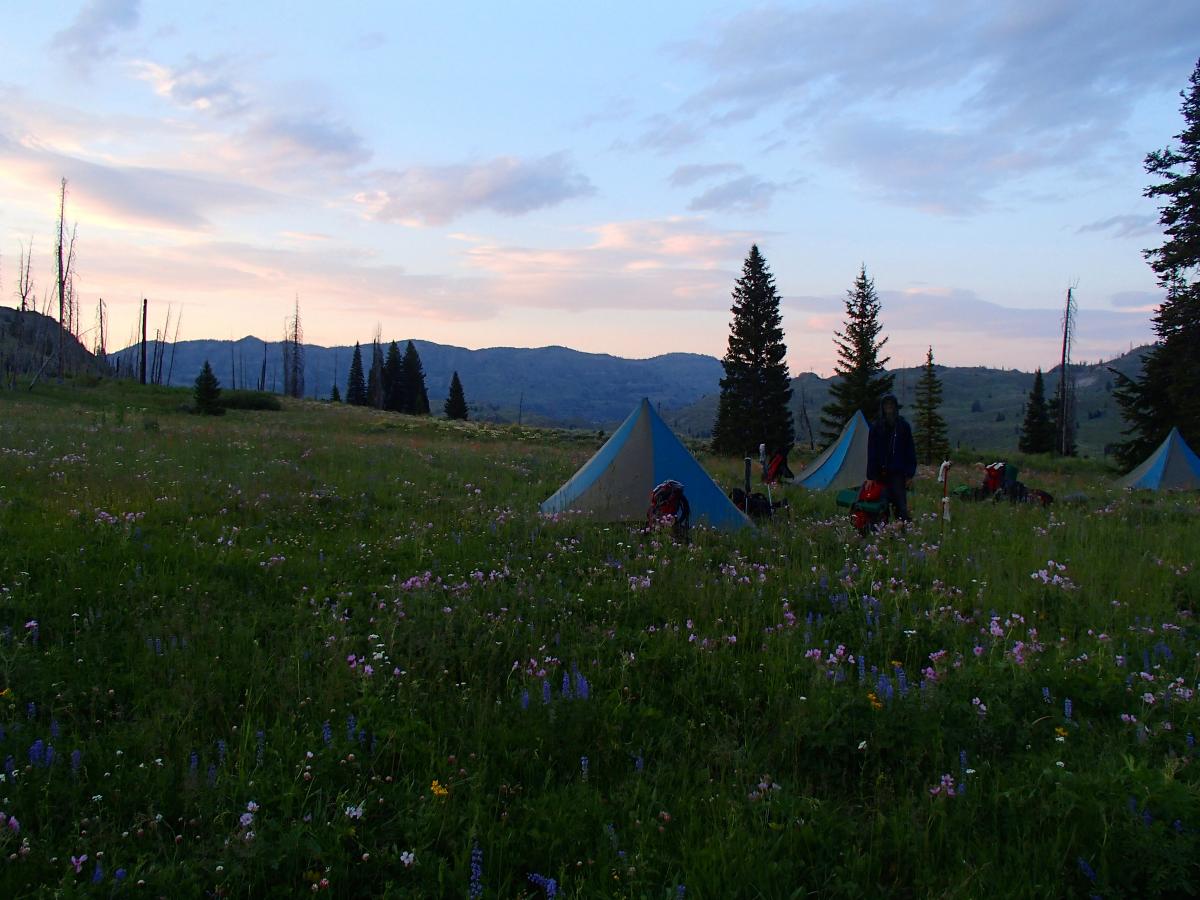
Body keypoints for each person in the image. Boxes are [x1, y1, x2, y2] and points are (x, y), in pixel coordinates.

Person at [866, 394, 917, 522]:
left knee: (900, 506)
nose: (889, 407)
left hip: (898, 474)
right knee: (881, 506)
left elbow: (910, 451)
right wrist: (870, 477)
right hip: (880, 474)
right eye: (886, 404)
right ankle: (882, 532)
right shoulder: (876, 427)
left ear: (895, 407)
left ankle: (903, 532)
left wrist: (910, 474)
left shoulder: (903, 427)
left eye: (891, 404)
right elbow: (871, 453)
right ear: (882, 407)